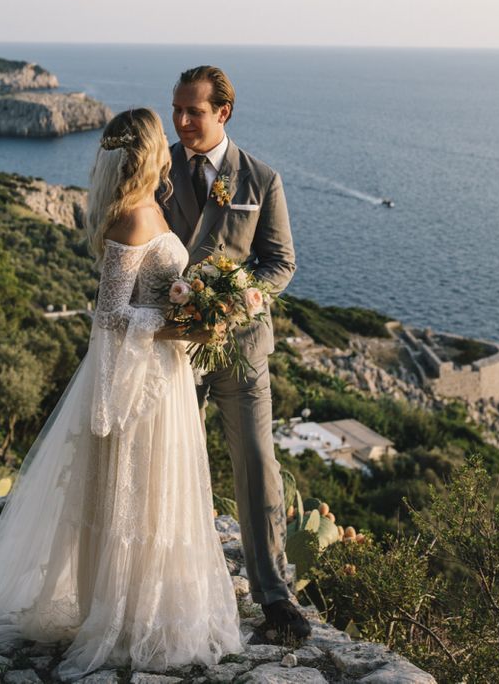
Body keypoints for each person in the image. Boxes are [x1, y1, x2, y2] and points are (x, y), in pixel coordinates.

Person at [0, 108, 243, 680]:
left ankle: (153, 607)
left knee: (161, 491)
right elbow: (109, 316)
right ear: (150, 151)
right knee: (135, 492)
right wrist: (179, 326)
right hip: (138, 383)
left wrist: (196, 308)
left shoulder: (151, 206)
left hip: (162, 376)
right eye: (162, 139)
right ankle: (120, 615)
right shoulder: (131, 220)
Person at [164, 66, 310, 638]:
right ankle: (170, 584)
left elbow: (280, 262)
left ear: (224, 112)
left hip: (241, 346)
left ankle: (273, 594)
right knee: (170, 461)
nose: (180, 122)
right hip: (174, 346)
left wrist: (243, 299)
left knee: (256, 463)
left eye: (192, 112)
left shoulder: (261, 180)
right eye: (176, 109)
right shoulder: (160, 169)